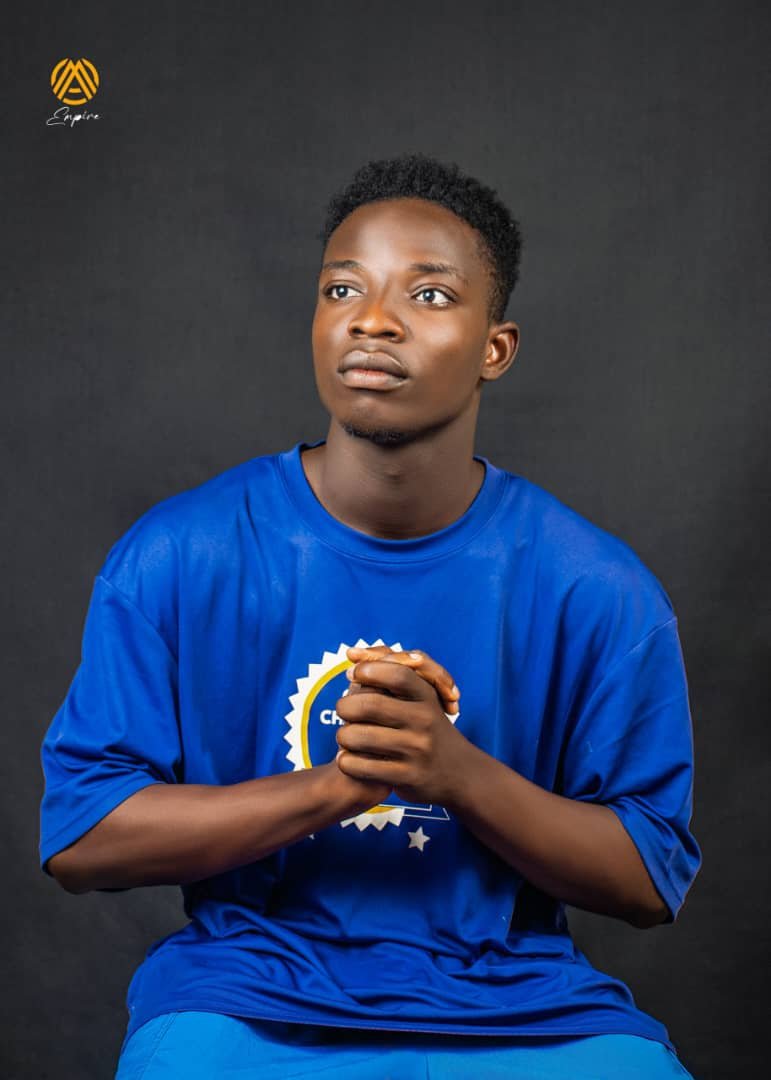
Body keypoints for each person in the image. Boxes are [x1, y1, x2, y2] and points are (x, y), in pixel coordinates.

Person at [39, 153, 701, 1079]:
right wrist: (338, 786)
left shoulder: (597, 589)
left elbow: (647, 881)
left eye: (427, 295)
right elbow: (81, 838)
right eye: (341, 288)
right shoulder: (180, 554)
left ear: (495, 348)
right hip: (246, 998)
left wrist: (457, 773)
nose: (371, 319)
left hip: (524, 1008)